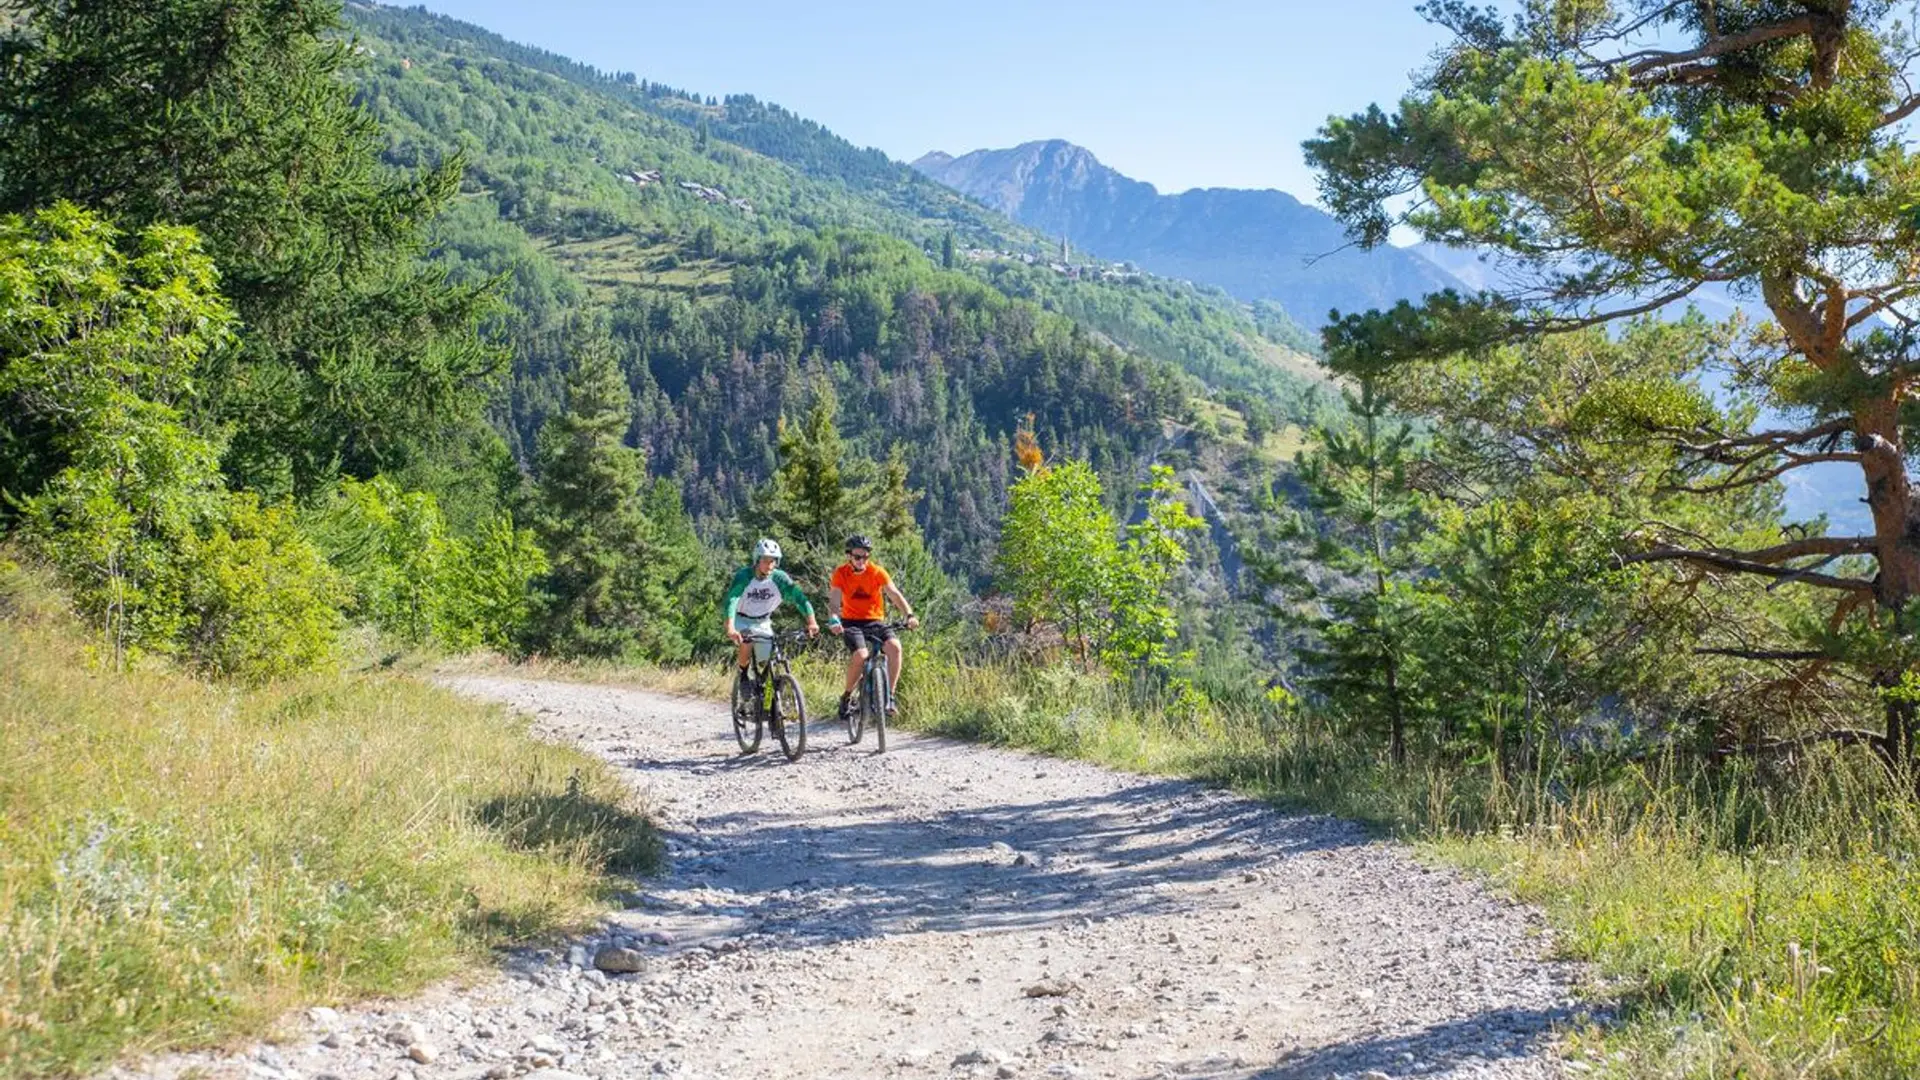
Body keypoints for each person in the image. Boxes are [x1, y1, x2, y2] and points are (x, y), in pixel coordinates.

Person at [826, 533, 919, 718]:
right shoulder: (841, 573)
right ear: (849, 556)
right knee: (861, 655)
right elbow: (834, 602)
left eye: (866, 556)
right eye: (857, 557)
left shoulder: (877, 572)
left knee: (895, 647)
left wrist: (909, 615)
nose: (862, 561)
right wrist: (834, 619)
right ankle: (846, 696)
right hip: (851, 622)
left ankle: (889, 697)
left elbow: (894, 594)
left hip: (875, 621)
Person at [722, 538, 818, 678]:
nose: (769, 565)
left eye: (773, 561)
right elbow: (732, 600)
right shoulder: (744, 576)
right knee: (746, 641)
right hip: (741, 619)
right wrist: (730, 627)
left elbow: (800, 599)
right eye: (765, 561)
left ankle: (770, 688)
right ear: (757, 560)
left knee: (767, 661)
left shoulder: (780, 578)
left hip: (763, 621)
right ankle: (743, 676)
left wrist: (812, 622)